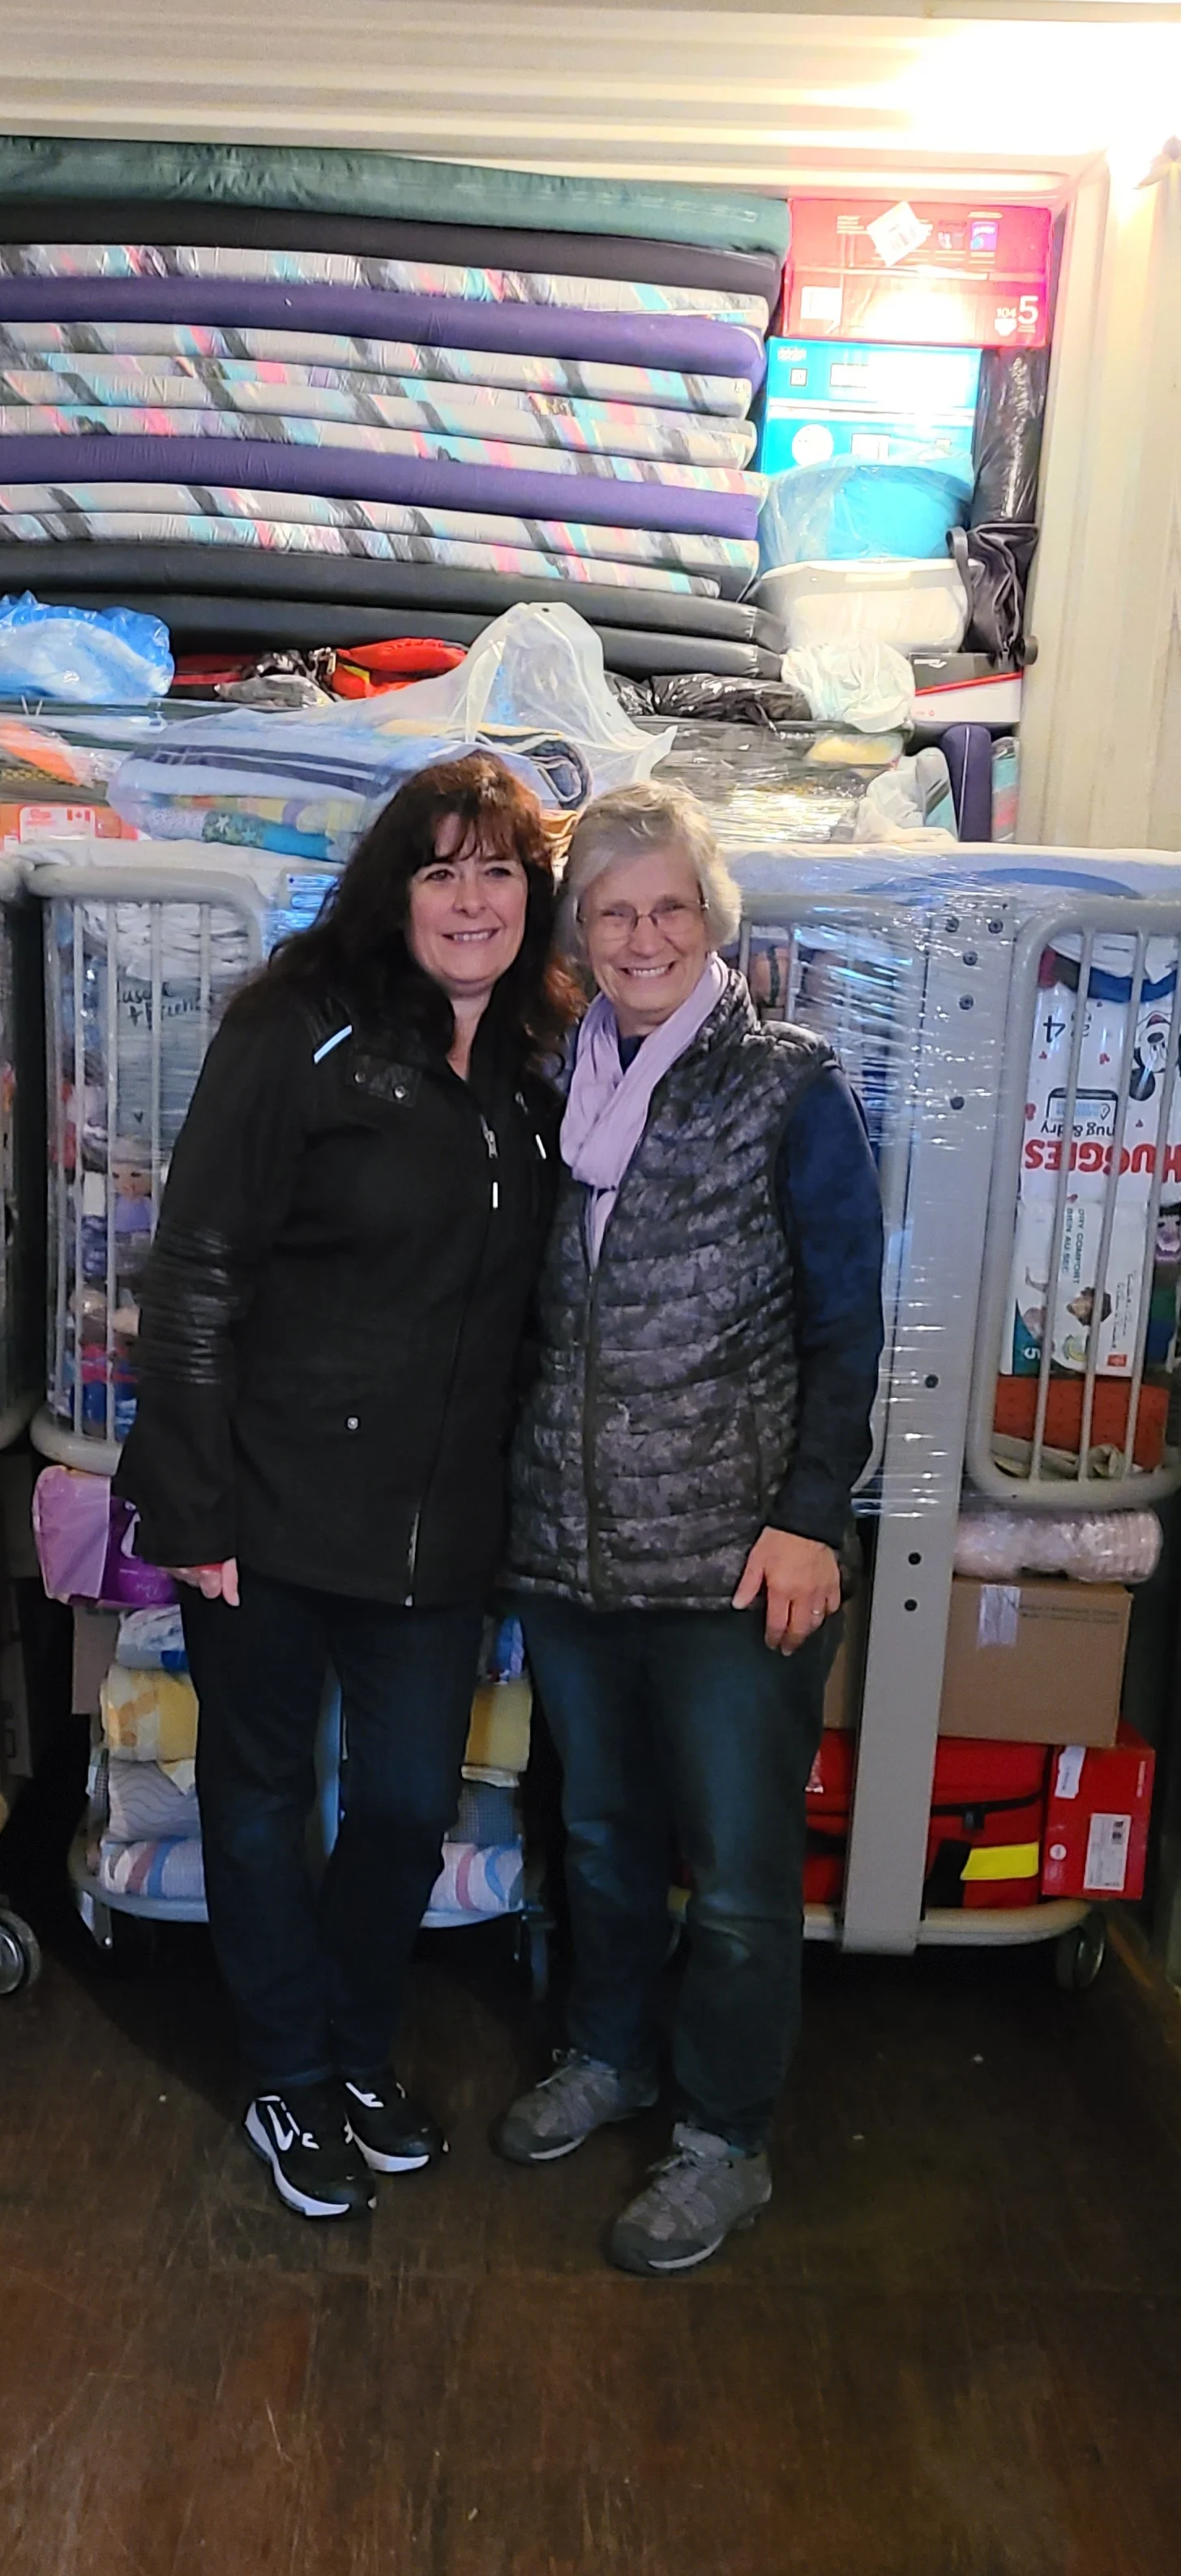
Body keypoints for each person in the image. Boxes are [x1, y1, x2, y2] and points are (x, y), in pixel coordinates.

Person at [118, 752, 573, 2222]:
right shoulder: (296, 1028)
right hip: (269, 1506)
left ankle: (357, 2048)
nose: (469, 898)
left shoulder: (529, 1069)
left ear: (531, 899)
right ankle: (286, 2075)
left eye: (498, 871)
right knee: (261, 1799)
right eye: (440, 869)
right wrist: (190, 1505)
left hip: (438, 1531)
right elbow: (194, 1271)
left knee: (396, 1804)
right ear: (394, 890)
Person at [496, 781, 885, 2275]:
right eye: (614, 911)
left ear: (709, 919)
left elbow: (849, 1331)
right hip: (578, 1554)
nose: (644, 934)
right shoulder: (553, 1088)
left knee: (730, 1872)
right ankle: (612, 2054)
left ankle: (725, 2140)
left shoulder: (789, 1087)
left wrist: (810, 1521)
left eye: (669, 906)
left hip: (738, 1565)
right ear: (580, 937)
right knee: (598, 1836)